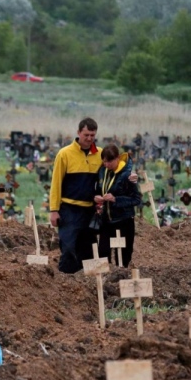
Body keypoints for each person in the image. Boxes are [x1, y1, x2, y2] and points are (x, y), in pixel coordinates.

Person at [49, 117, 101, 273]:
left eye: (92, 135)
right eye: (86, 135)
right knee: (68, 248)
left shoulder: (100, 154)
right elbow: (56, 183)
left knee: (88, 250)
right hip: (69, 210)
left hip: (90, 211)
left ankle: (87, 282)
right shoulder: (64, 154)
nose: (89, 139)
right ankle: (65, 281)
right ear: (78, 133)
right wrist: (54, 210)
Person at [95, 145, 141, 267]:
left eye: (109, 161)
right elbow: (98, 189)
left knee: (123, 258)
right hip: (106, 221)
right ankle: (105, 278)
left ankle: (122, 277)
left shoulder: (127, 175)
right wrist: (97, 197)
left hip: (123, 221)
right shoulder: (102, 171)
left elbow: (136, 199)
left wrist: (115, 199)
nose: (106, 165)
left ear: (117, 158)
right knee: (103, 254)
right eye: (104, 161)